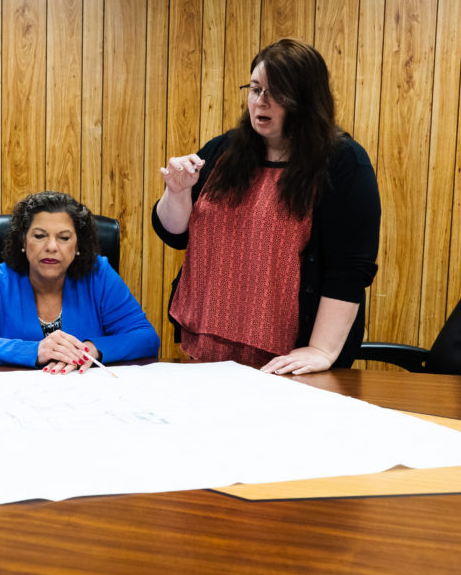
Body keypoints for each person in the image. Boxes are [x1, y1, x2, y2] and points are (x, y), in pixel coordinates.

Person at [153, 38, 380, 374]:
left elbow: (350, 268)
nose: (261, 102)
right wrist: (176, 192)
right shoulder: (223, 150)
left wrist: (320, 349)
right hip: (208, 342)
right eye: (256, 89)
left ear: (305, 100)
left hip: (287, 357)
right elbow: (174, 234)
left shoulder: (342, 162)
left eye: (276, 93)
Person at [0, 191, 159, 372]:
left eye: (63, 238)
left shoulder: (98, 275)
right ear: (23, 241)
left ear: (78, 245)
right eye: (39, 236)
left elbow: (146, 338)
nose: (52, 247)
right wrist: (33, 351)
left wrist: (93, 348)